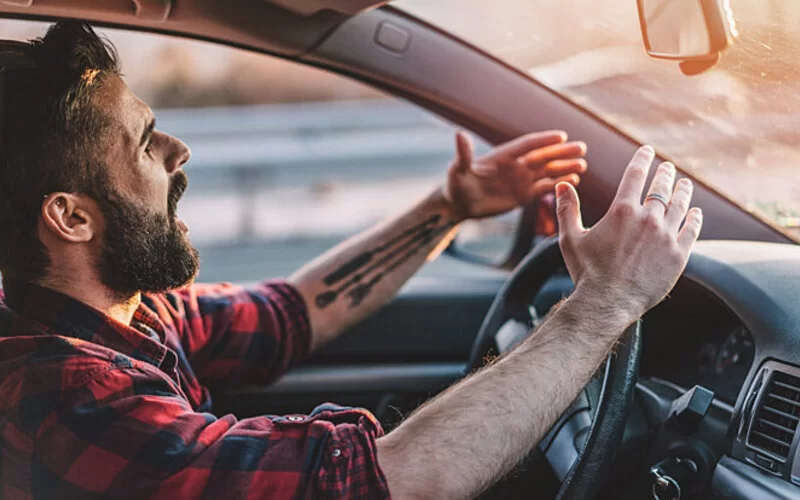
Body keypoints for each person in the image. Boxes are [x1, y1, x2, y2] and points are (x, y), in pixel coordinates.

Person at [0, 21, 702, 500]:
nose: (178, 152)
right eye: (144, 141)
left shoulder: (121, 314)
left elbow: (291, 312)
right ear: (70, 217)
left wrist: (448, 208)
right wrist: (603, 304)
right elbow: (392, 481)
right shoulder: (66, 397)